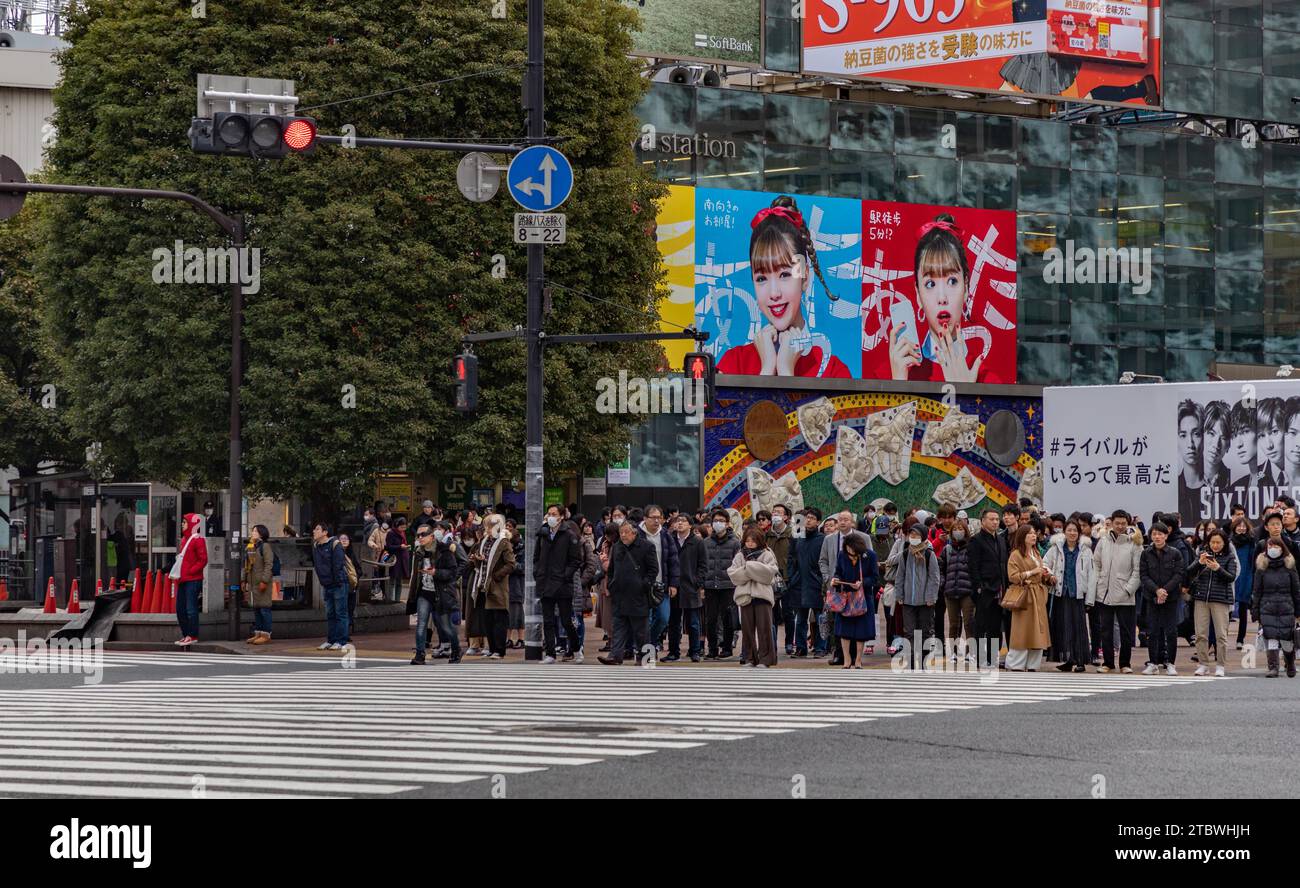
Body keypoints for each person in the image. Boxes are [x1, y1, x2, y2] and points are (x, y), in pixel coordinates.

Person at [716, 196, 851, 378]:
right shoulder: (734, 363)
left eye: (785, 275)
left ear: (804, 278)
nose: (774, 293)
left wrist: (786, 373)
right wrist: (767, 370)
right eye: (762, 278)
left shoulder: (832, 371)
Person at [887, 214, 984, 383]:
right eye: (930, 284)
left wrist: (966, 393)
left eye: (952, 281)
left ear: (966, 287)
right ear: (918, 294)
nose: (942, 298)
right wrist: (898, 386)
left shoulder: (985, 378)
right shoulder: (898, 372)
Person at [598, 521, 658, 666]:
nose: (623, 535)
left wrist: (643, 585)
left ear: (634, 532)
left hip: (638, 595)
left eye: (626, 532)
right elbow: (611, 569)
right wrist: (612, 585)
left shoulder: (646, 546)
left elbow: (653, 570)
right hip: (619, 594)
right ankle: (615, 655)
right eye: (621, 532)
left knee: (641, 630)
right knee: (618, 627)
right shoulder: (618, 546)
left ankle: (645, 658)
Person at [1091, 510, 1142, 673]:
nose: (1120, 526)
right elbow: (1096, 563)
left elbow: (1138, 570)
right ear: (1111, 523)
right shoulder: (1103, 541)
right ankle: (1108, 662)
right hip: (1105, 592)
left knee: (1126, 631)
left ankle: (1125, 663)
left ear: (1128, 524)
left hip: (1125, 593)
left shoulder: (1134, 542)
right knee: (1105, 629)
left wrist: (1128, 589)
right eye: (1117, 523)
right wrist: (1099, 583)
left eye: (1123, 523)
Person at [407, 522, 463, 665]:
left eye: (423, 535)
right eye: (418, 535)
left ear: (432, 536)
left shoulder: (444, 551)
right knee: (421, 624)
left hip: (441, 593)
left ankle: (456, 649)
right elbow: (415, 575)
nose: (420, 537)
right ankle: (420, 654)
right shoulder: (418, 551)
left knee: (445, 626)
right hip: (424, 592)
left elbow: (452, 571)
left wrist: (436, 572)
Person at [1185, 528, 1238, 676]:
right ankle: (1203, 664)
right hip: (1201, 598)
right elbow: (1188, 571)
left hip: (1220, 599)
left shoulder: (1229, 557)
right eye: (1212, 542)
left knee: (1221, 634)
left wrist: (1218, 568)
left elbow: (1231, 577)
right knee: (1201, 633)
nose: (1215, 545)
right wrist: (1199, 563)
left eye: (1218, 542)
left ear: (1224, 543)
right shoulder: (1203, 554)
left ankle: (1220, 665)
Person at [534, 504, 583, 664]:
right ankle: (550, 653)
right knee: (547, 620)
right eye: (549, 514)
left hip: (562, 584)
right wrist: (538, 573)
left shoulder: (569, 535)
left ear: (562, 516)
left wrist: (565, 575)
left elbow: (576, 560)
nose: (550, 517)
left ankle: (576, 648)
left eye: (554, 514)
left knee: (565, 620)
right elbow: (536, 557)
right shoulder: (543, 534)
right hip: (545, 582)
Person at [819, 510, 869, 664]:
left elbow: (869, 559)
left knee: (856, 619)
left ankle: (855, 655)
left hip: (857, 588)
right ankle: (839, 654)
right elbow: (823, 561)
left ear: (852, 522)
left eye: (846, 519)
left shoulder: (864, 538)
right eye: (840, 519)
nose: (842, 522)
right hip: (837, 588)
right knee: (837, 621)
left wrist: (862, 581)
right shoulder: (829, 539)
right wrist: (828, 578)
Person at [888, 522, 940, 670]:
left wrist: (931, 597)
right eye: (911, 534)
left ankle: (924, 662)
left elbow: (934, 578)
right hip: (908, 601)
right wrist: (899, 595)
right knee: (909, 632)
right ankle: (910, 663)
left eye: (916, 535)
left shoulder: (929, 554)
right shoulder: (905, 554)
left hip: (925, 602)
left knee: (924, 632)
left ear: (923, 536)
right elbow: (900, 576)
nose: (913, 537)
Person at [1043, 519, 1092, 672]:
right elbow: (1044, 564)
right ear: (1064, 532)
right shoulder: (1056, 548)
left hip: (1077, 594)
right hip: (1060, 593)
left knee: (1078, 628)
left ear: (1079, 533)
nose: (1072, 533)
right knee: (1063, 627)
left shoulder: (1085, 550)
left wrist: (1089, 599)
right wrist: (1050, 575)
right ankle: (1068, 660)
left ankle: (1080, 661)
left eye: (1075, 531)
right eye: (1069, 530)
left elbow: (1092, 574)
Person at [727, 526, 780, 668]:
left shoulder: (767, 553)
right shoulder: (739, 555)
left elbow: (770, 574)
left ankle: (766, 659)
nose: (750, 543)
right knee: (747, 629)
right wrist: (754, 570)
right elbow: (733, 575)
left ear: (759, 541)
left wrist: (748, 567)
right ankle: (750, 658)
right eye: (748, 540)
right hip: (745, 596)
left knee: (765, 629)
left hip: (763, 595)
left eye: (753, 541)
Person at [1139, 522, 1185, 676]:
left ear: (1166, 535)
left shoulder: (1175, 553)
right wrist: (1157, 590)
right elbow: (1143, 575)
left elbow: (1179, 574)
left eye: (1160, 534)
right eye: (1154, 534)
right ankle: (1153, 663)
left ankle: (1171, 663)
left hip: (1170, 598)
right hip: (1151, 597)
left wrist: (1165, 590)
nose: (1157, 537)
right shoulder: (1146, 553)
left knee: (1171, 631)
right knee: (1152, 631)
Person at [1251, 538, 1300, 678]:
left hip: (1286, 607)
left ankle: (1290, 663)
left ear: (1282, 548)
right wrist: (1255, 611)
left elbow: (1296, 590)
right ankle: (1273, 667)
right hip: (1267, 608)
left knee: (1286, 638)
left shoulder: (1290, 566)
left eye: (1276, 545)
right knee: (1271, 637)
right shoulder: (1261, 567)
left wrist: (1298, 610)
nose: (1273, 548)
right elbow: (1257, 591)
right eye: (1270, 545)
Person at [469, 513, 515, 660]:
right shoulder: (483, 541)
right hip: (482, 585)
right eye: (486, 526)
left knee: (499, 619)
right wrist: (477, 559)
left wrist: (497, 576)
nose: (486, 529)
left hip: (497, 587)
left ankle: (499, 650)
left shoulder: (503, 542)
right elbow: (478, 561)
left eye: (489, 526)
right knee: (487, 620)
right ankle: (492, 648)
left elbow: (510, 564)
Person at [1005, 524, 1050, 671]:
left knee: (1038, 630)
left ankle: (1033, 664)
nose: (1033, 536)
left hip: (1038, 594)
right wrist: (1031, 572)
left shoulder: (1036, 553)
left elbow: (1040, 572)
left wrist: (1046, 576)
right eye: (1030, 534)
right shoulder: (1016, 554)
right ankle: (1016, 664)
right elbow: (1012, 576)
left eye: (1034, 533)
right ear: (1022, 536)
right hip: (1025, 595)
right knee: (1022, 630)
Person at [829, 533, 877, 669]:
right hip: (846, 597)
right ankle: (847, 659)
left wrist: (862, 583)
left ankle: (859, 659)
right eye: (848, 550)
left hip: (863, 598)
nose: (850, 553)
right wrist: (836, 580)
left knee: (861, 630)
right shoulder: (841, 555)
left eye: (853, 551)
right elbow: (838, 571)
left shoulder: (870, 556)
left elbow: (875, 577)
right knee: (844, 629)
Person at [967, 508, 1007, 668]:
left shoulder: (1001, 540)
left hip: (1000, 589)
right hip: (985, 589)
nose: (995, 522)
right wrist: (979, 587)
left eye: (997, 519)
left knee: (996, 626)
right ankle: (980, 657)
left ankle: (993, 656)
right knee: (981, 624)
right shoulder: (976, 540)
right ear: (983, 521)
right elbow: (973, 566)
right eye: (991, 519)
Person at [702, 509, 741, 660]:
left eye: (721, 521)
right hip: (710, 585)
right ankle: (712, 649)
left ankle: (726, 648)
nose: (718, 524)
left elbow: (738, 564)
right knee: (710, 619)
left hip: (728, 586)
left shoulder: (735, 542)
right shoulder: (705, 542)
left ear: (727, 523)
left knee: (727, 618)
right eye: (715, 521)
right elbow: (702, 564)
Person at [788, 506, 826, 658]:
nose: (808, 520)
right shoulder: (799, 537)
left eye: (811, 518)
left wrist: (823, 581)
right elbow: (791, 558)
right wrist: (792, 577)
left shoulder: (823, 539)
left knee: (820, 618)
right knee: (800, 619)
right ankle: (801, 648)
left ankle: (820, 648)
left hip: (817, 583)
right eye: (806, 518)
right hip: (799, 583)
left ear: (818, 522)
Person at [667, 513, 706, 662]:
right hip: (674, 587)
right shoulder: (670, 540)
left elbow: (703, 565)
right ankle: (673, 652)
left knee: (693, 622)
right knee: (674, 622)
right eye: (678, 521)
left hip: (691, 586)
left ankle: (695, 651)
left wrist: (698, 582)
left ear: (690, 525)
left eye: (684, 521)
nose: (680, 523)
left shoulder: (697, 542)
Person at [640, 505, 679, 653]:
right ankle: (647, 652)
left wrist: (674, 583)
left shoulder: (665, 535)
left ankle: (649, 642)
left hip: (662, 584)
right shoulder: (638, 535)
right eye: (653, 517)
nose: (657, 521)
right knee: (646, 620)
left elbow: (673, 561)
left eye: (659, 518)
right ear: (645, 519)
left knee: (663, 618)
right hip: (643, 585)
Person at [939, 517, 977, 663]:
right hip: (950, 591)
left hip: (967, 591)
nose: (958, 532)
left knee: (969, 622)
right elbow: (941, 569)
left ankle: (970, 653)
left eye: (961, 529)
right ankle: (953, 653)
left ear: (966, 531)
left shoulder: (971, 548)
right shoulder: (947, 549)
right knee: (953, 624)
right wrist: (944, 583)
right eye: (955, 530)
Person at [311, 521, 350, 652]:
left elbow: (337, 565)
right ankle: (331, 640)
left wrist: (337, 581)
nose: (314, 531)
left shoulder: (335, 544)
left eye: (317, 529)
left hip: (338, 584)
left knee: (341, 613)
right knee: (330, 613)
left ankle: (341, 641)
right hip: (326, 584)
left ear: (325, 532)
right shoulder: (316, 546)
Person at [170, 512, 208, 646]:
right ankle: (186, 634)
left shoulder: (198, 539)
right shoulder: (184, 540)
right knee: (180, 608)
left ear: (192, 524)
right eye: (182, 522)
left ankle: (192, 635)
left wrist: (191, 571)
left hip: (193, 579)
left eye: (185, 522)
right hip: (183, 579)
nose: (182, 524)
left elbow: (203, 559)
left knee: (191, 609)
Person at [241, 524, 274, 645]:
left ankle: (266, 634)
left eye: (255, 531)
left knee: (264, 609)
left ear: (261, 534)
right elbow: (246, 566)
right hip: (252, 583)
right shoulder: (250, 547)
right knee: (256, 609)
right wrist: (243, 580)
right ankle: (258, 633)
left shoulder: (265, 547)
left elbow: (269, 564)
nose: (253, 533)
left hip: (261, 582)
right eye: (253, 530)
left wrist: (264, 580)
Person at [1230, 516, 1256, 650]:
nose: (1241, 528)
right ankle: (1220, 638)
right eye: (1239, 526)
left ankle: (1240, 639)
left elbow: (1253, 561)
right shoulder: (1229, 541)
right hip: (1232, 577)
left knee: (1243, 611)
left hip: (1246, 576)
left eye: (1243, 526)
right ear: (1234, 527)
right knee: (1227, 611)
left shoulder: (1251, 542)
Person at [1176, 399, 1204, 522]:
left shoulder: (1221, 484)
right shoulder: (1176, 487)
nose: (1190, 443)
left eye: (1196, 434)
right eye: (1183, 435)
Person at [339, 532, 361, 644]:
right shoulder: (337, 554)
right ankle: (343, 633)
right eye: (341, 539)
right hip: (341, 585)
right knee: (342, 609)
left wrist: (354, 578)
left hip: (351, 586)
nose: (344, 540)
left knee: (349, 609)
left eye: (346, 539)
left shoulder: (352, 554)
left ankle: (347, 631)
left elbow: (358, 569)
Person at [506, 519, 526, 650]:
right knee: (508, 613)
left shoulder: (521, 548)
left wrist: (509, 565)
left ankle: (520, 639)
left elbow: (522, 567)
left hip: (517, 584)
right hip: (507, 584)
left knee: (517, 613)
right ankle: (508, 639)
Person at [384, 517, 410, 604]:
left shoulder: (402, 533)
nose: (403, 529)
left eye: (404, 527)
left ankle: (397, 600)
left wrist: (405, 547)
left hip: (402, 559)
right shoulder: (391, 533)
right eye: (401, 527)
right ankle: (390, 600)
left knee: (400, 581)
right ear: (397, 525)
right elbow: (388, 546)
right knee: (392, 580)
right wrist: (399, 546)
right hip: (394, 559)